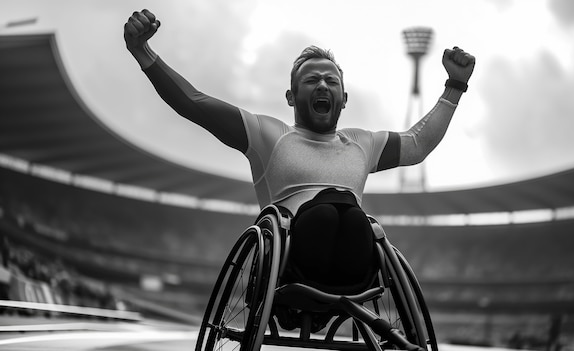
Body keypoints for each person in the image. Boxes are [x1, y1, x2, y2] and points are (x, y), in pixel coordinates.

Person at [123, 9, 475, 295]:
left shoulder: (362, 143)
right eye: (311, 80)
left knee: (354, 220)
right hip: (290, 262)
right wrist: (144, 52)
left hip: (353, 265)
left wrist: (455, 86)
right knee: (330, 214)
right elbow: (194, 102)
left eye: (331, 81)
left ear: (344, 99)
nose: (323, 84)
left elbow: (416, 145)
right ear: (291, 97)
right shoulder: (269, 136)